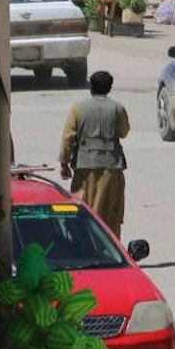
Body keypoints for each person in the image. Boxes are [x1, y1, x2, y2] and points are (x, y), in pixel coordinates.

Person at [59, 71, 128, 237]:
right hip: (111, 167)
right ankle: (111, 250)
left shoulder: (78, 108)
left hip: (85, 168)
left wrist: (64, 163)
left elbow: (68, 136)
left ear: (91, 87)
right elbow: (124, 131)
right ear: (109, 88)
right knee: (111, 213)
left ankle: (84, 249)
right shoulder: (118, 108)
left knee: (84, 210)